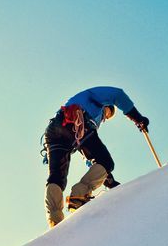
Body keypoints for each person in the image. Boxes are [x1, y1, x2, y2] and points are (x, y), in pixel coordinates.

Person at [43, 86, 150, 227]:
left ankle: (55, 219)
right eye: (108, 112)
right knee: (106, 161)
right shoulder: (95, 99)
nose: (106, 116)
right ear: (106, 105)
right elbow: (117, 94)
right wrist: (137, 118)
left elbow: (89, 158)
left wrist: (108, 179)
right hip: (77, 120)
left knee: (56, 176)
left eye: (108, 116)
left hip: (56, 131)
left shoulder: (91, 117)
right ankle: (78, 196)